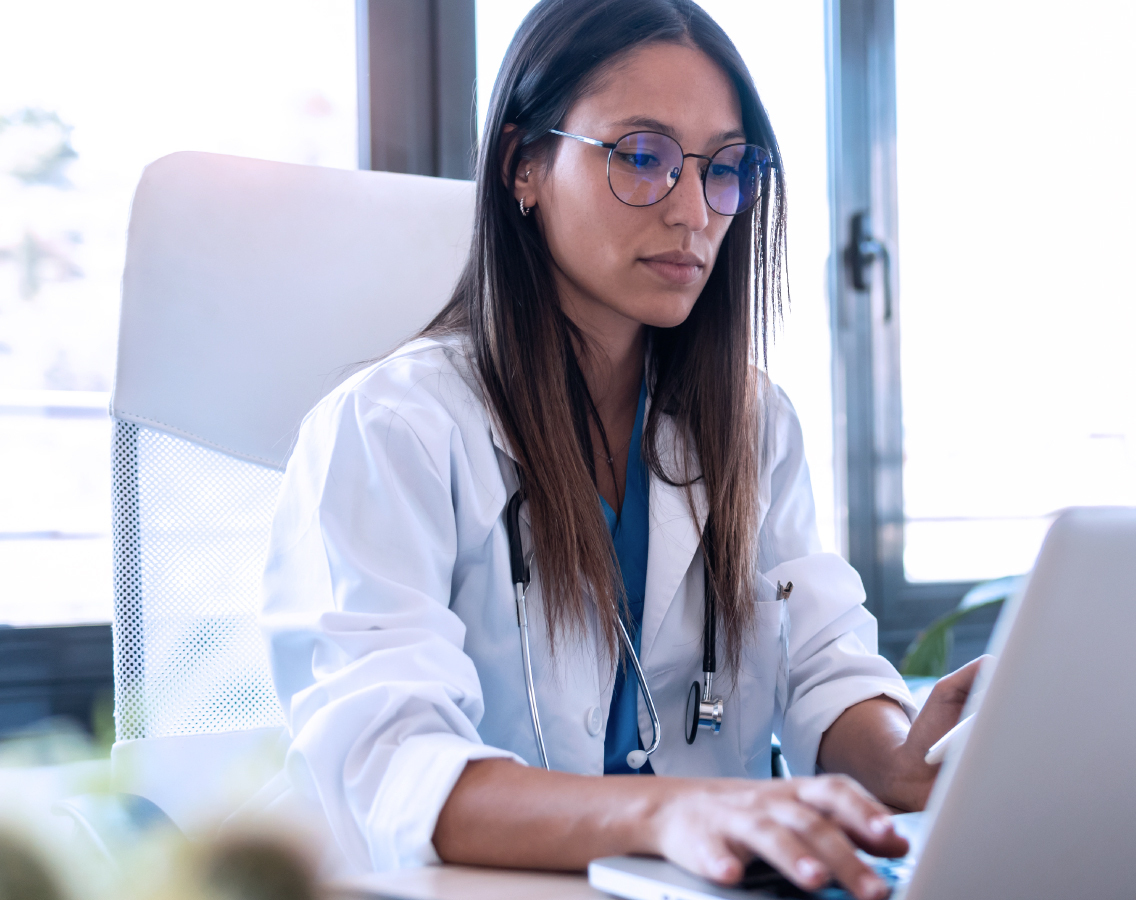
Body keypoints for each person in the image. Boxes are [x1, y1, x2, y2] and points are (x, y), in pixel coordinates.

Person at [261, 1, 980, 897]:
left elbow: (822, 667)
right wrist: (670, 810)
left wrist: (905, 759)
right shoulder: (391, 430)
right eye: (641, 157)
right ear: (524, 165)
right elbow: (393, 768)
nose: (692, 212)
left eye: (724, 169)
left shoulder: (752, 422)